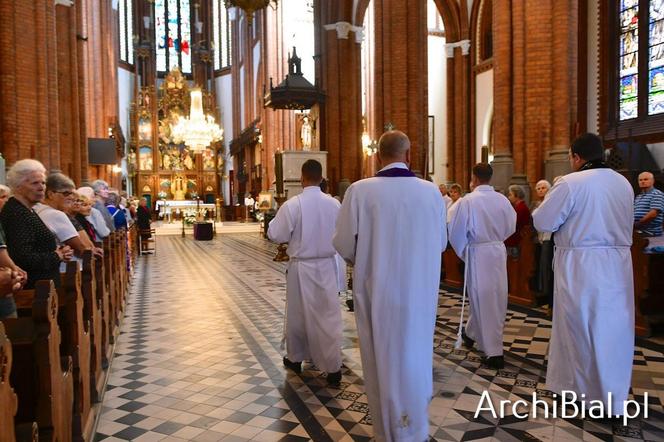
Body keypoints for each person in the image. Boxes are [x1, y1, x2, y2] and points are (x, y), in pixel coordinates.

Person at [333, 130, 446, 442]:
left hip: (376, 289)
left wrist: (369, 257)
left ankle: (387, 431)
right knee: (416, 351)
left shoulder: (360, 191)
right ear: (408, 155)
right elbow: (440, 243)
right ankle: (415, 429)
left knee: (378, 355)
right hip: (418, 291)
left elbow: (343, 244)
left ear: (377, 155)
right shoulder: (430, 192)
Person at [532, 133, 634, 418]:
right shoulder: (622, 182)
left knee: (580, 327)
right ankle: (602, 392)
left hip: (581, 262)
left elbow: (543, 220)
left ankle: (588, 395)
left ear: (576, 157)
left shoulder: (570, 182)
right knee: (613, 328)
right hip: (618, 262)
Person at [267, 159, 344, 385]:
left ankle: (296, 358)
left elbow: (276, 235)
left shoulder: (293, 204)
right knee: (328, 316)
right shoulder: (334, 204)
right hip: (327, 266)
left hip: (302, 267)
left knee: (298, 316)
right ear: (321, 178)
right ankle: (333, 368)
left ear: (302, 178)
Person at [448, 163, 516, 370]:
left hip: (478, 251)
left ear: (474, 178)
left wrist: (464, 251)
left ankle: (493, 352)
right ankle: (470, 333)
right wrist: (496, 240)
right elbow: (510, 226)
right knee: (495, 296)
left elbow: (456, 231)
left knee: (482, 298)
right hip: (496, 250)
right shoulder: (503, 200)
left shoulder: (467, 201)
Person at [0, 159, 73, 290]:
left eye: (43, 183)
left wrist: (59, 252)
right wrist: (57, 255)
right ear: (18, 186)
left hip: (44, 288)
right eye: (35, 183)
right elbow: (22, 257)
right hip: (34, 291)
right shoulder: (17, 213)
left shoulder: (28, 210)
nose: (41, 187)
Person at [504, 184, 532, 258]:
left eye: (510, 195)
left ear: (517, 195)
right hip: (515, 238)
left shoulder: (521, 208)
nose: (508, 197)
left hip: (515, 240)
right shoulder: (518, 207)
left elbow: (514, 224)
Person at [634, 171, 663, 236]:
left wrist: (637, 224)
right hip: (639, 229)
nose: (642, 181)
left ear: (653, 181)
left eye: (646, 179)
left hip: (650, 231)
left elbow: (653, 214)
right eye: (640, 180)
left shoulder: (657, 194)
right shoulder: (639, 196)